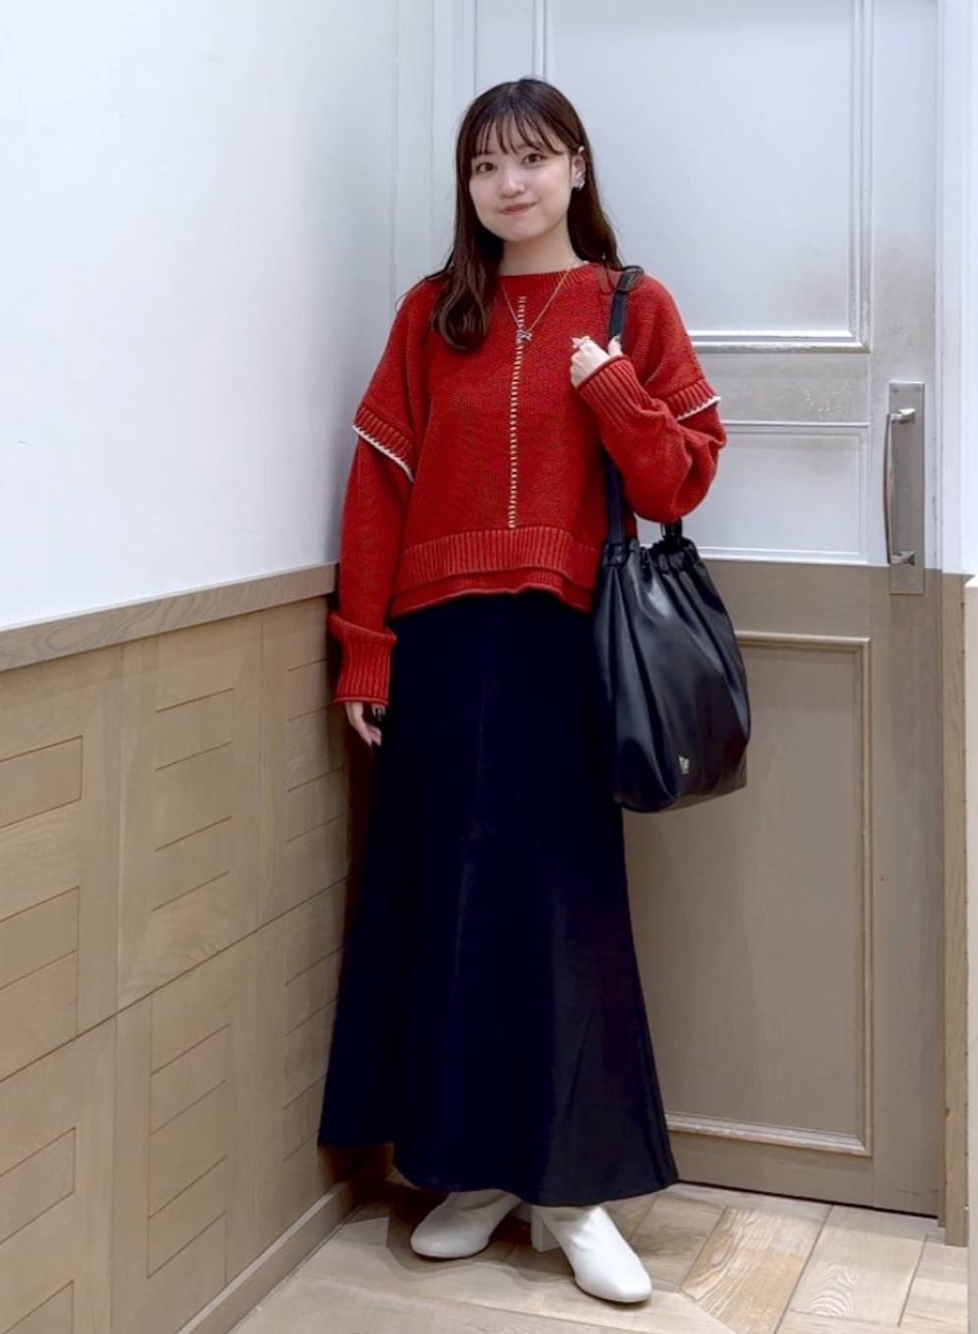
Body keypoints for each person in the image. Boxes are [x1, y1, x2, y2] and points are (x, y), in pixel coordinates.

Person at [316, 77, 726, 1306]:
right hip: (441, 649)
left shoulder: (633, 304)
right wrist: (364, 648)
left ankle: (570, 1190)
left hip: (566, 648)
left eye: (533, 158)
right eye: (486, 165)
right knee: (446, 906)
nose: (510, 183)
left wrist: (610, 386)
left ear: (576, 168)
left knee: (562, 912)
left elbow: (677, 483)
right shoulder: (430, 312)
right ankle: (474, 1170)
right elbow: (378, 491)